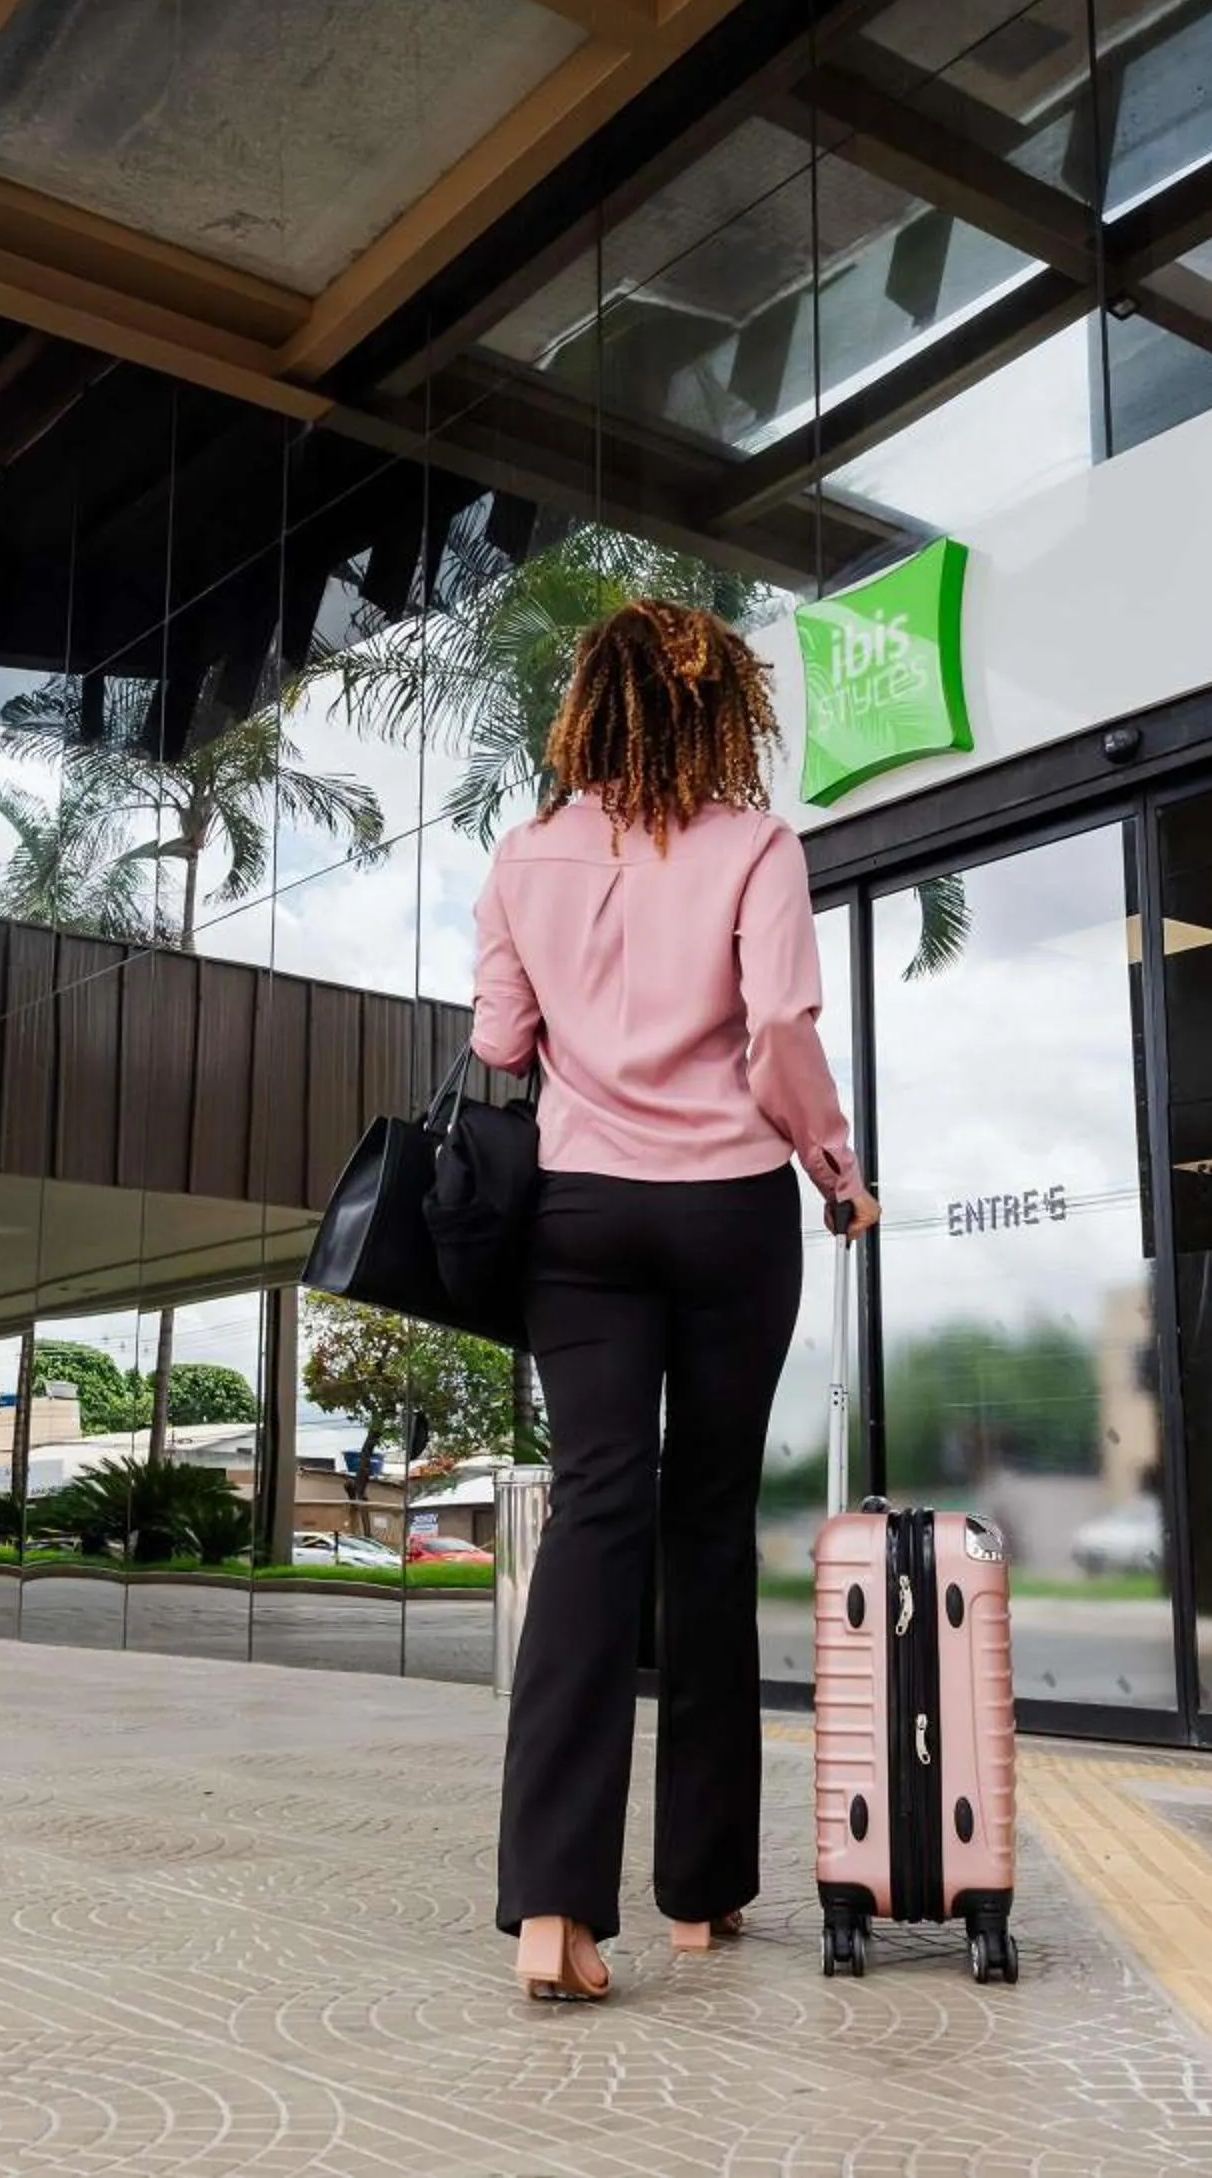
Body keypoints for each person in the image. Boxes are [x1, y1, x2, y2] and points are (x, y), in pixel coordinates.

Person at [473, 598, 877, 2003]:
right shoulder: (758, 845)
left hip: (577, 1219)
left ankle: (550, 1909)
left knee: (595, 1515)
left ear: (592, 709)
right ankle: (700, 1892)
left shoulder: (522, 855)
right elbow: (778, 1032)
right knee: (704, 1524)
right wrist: (837, 1167)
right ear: (719, 715)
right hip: (728, 1217)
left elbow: (499, 1039)